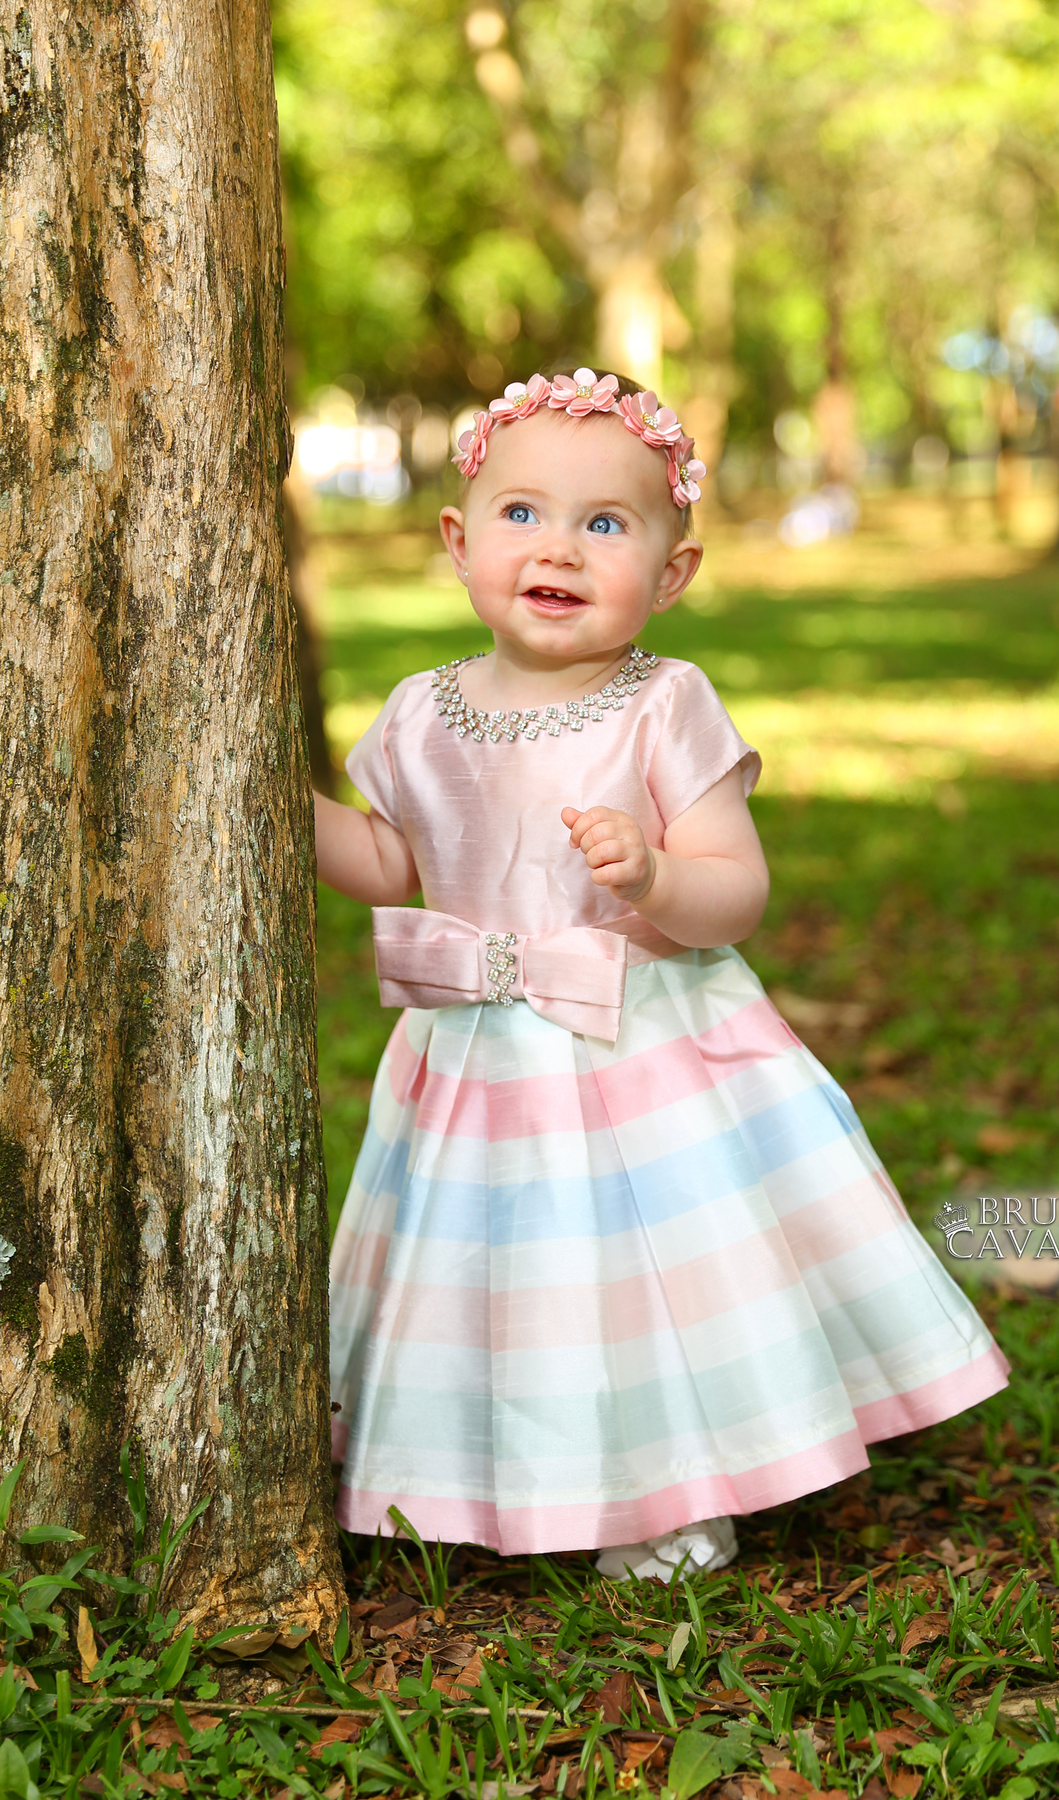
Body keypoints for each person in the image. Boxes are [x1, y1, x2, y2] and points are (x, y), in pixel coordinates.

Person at [315, 367, 1009, 1582]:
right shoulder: (420, 711)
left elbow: (735, 886)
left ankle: (669, 1485)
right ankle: (471, 1468)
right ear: (458, 540)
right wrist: (283, 808)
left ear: (673, 573)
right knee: (500, 1277)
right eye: (523, 514)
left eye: (606, 524)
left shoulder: (663, 704)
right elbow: (386, 860)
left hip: (641, 1044)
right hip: (474, 1058)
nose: (561, 550)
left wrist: (652, 877)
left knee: (642, 1279)